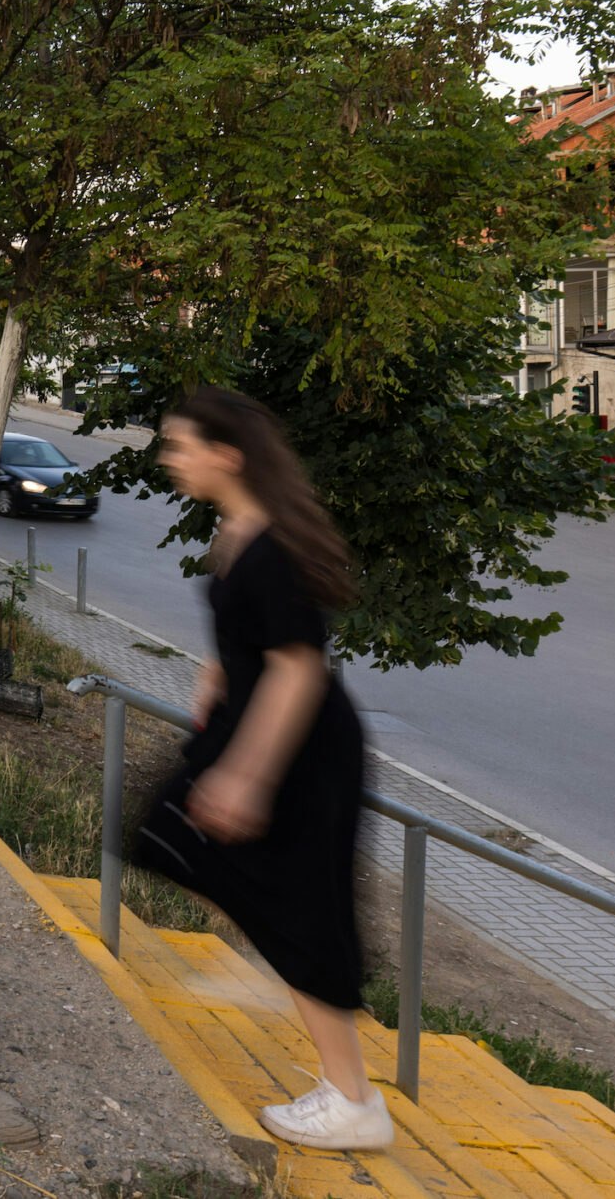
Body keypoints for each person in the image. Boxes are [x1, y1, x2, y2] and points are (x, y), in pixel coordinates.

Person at [134, 387, 388, 1151]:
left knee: (305, 915)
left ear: (227, 455)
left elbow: (298, 668)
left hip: (300, 750)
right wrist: (215, 673)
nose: (169, 459)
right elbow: (252, 636)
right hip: (258, 725)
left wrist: (247, 776)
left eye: (181, 446)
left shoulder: (270, 547)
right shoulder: (240, 529)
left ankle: (354, 1102)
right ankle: (276, 959)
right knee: (167, 836)